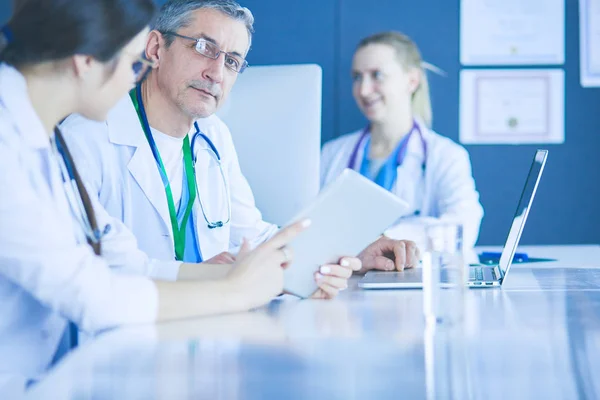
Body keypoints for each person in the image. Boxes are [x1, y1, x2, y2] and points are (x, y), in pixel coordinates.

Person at [0, 0, 357, 386]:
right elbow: (90, 293)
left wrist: (241, 276)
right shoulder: (20, 144)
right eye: (133, 62)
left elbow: (122, 259)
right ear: (86, 60)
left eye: (233, 61)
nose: (133, 78)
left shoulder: (40, 136)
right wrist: (234, 292)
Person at [60, 0, 420, 274]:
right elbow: (87, 271)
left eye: (232, 61)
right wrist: (202, 279)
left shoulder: (213, 135)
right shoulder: (86, 139)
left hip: (208, 325)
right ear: (156, 49)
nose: (217, 73)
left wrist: (353, 250)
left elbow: (254, 238)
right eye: (203, 47)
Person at [321, 31, 484, 248]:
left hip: (411, 277)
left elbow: (462, 227)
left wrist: (384, 238)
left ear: (411, 80)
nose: (364, 90)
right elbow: (309, 225)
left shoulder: (445, 156)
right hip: (344, 278)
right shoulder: (333, 153)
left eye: (377, 75)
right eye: (357, 77)